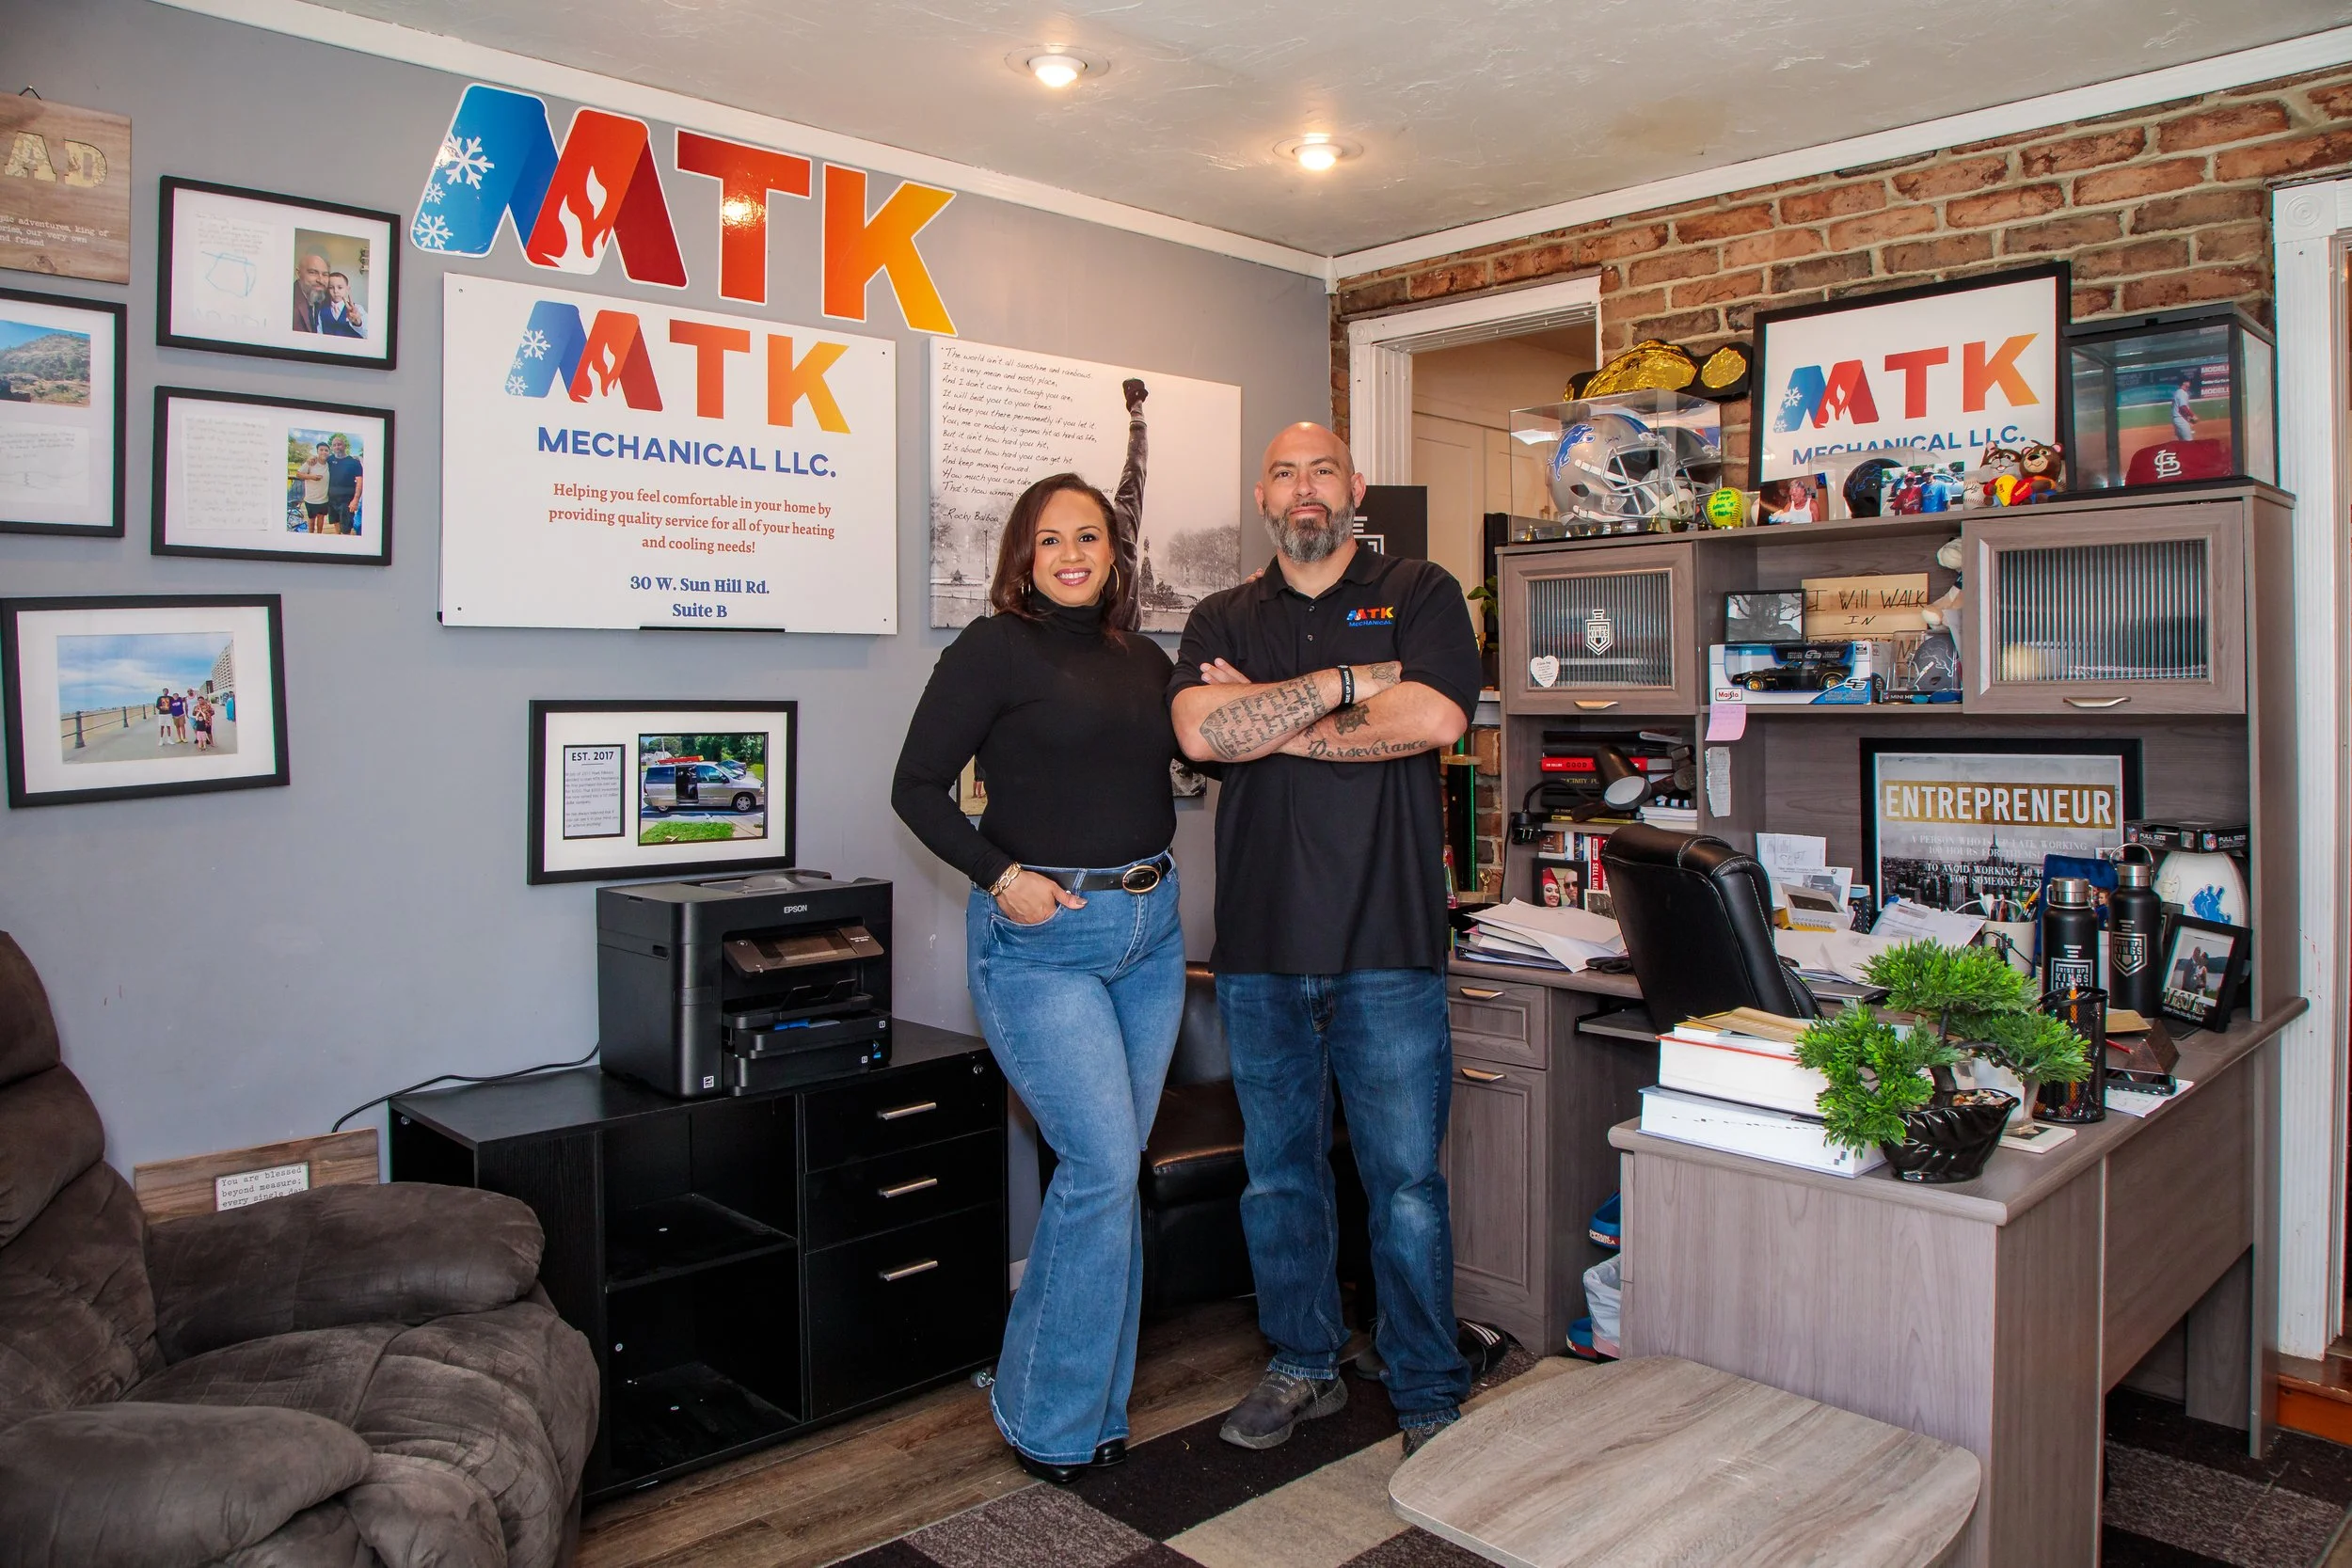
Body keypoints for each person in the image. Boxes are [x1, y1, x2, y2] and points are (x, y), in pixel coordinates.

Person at [1169, 422, 1483, 1459]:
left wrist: (1266, 719)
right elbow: (1198, 734)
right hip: (1257, 948)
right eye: (1284, 473)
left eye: (1322, 471)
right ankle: (1304, 1362)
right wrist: (1355, 683)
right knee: (1280, 1177)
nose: (1305, 490)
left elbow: (1435, 718)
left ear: (1353, 486)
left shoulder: (1422, 589)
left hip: (1389, 942)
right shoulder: (1220, 612)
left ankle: (1427, 1379)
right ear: (1262, 494)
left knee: (1403, 1180)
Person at [891, 470, 1184, 1485]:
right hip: (1041, 937)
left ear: (1115, 553)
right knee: (1101, 1164)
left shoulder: (1145, 658)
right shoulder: (992, 649)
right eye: (1051, 538)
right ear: (1023, 555)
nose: (1072, 553)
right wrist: (999, 875)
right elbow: (915, 786)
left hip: (1151, 933)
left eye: (1090, 537)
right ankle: (1044, 1416)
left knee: (1111, 1171)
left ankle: (1092, 1403)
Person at [324, 435, 364, 535]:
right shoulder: (329, 460)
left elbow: (360, 482)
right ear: (332, 447)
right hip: (331, 500)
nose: (337, 447)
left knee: (346, 528)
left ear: (344, 446)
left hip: (347, 502)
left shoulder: (354, 462)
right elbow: (318, 461)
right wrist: (311, 459)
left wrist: (356, 500)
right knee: (335, 522)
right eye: (334, 445)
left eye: (339, 444)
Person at [292, 251, 331, 333]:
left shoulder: (327, 298)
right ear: (298, 273)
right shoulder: (287, 300)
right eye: (313, 273)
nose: (320, 280)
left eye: (325, 274)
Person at [297, 441, 332, 532]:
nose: (324, 452)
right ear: (317, 451)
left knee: (321, 519)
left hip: (324, 499)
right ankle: (311, 536)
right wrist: (311, 477)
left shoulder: (329, 463)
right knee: (311, 520)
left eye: (326, 450)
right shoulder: (311, 462)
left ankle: (319, 536)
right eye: (321, 450)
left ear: (329, 452)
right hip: (311, 499)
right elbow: (298, 474)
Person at [319, 272, 366, 338]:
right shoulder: (321, 311)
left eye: (340, 287)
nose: (335, 291)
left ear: (347, 289)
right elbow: (319, 334)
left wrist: (358, 324)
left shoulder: (358, 308)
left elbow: (368, 335)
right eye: (331, 287)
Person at [2171, 371, 2200, 443]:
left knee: (2182, 443)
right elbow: (2183, 407)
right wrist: (2192, 416)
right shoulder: (2182, 393)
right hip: (2180, 420)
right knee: (2189, 443)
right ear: (2184, 383)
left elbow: (2178, 408)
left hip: (2177, 420)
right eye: (2188, 381)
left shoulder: (2177, 392)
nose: (2189, 383)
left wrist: (2188, 419)